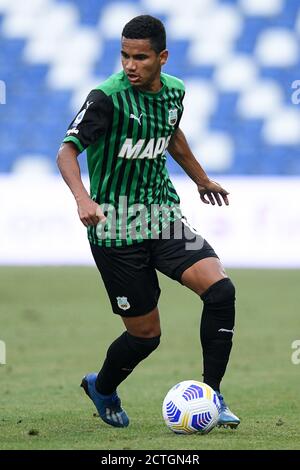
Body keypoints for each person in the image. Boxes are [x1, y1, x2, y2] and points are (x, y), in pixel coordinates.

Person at [57, 15, 240, 429]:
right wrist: (83, 198)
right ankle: (101, 386)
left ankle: (212, 396)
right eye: (124, 55)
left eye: (140, 57)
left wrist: (200, 179)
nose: (129, 65)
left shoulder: (175, 91)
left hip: (161, 216)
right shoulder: (106, 98)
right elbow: (67, 152)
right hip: (116, 229)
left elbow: (172, 133)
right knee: (146, 336)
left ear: (162, 57)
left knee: (221, 291)